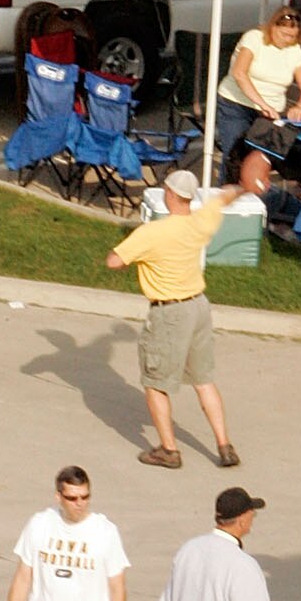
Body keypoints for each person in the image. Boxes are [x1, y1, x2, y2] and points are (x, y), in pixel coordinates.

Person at [105, 167, 243, 468]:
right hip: (199, 307)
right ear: (189, 197)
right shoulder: (200, 222)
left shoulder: (151, 232)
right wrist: (244, 187)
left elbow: (114, 261)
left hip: (170, 314)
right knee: (204, 379)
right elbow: (225, 197)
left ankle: (168, 450)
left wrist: (137, 259)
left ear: (169, 193)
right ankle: (224, 445)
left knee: (155, 383)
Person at [5, 466, 129, 601]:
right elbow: (22, 579)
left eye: (85, 497)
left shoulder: (106, 532)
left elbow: (117, 588)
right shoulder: (39, 524)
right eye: (72, 498)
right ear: (58, 497)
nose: (80, 503)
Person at [215, 5, 301, 166]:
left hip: (271, 113)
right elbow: (239, 73)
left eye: (292, 36)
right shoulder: (254, 38)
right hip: (236, 105)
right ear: (273, 27)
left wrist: (300, 107)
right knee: (235, 158)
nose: (288, 40)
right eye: (284, 34)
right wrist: (263, 104)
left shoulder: (294, 49)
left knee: (262, 161)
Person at [157, 489, 270, 601]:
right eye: (252, 513)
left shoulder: (189, 550)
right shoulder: (243, 566)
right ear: (241, 521)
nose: (253, 518)